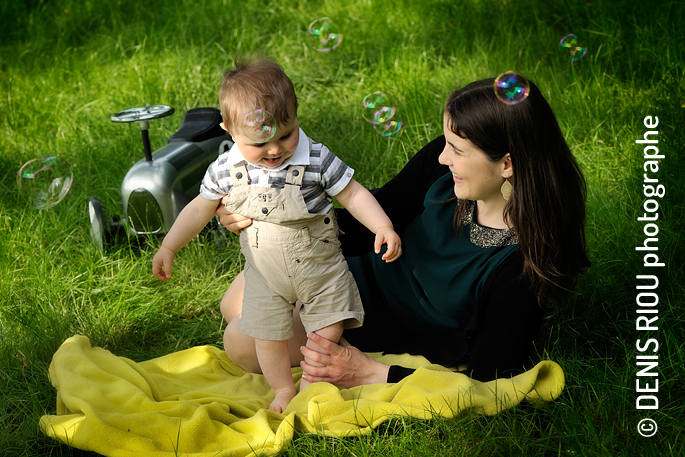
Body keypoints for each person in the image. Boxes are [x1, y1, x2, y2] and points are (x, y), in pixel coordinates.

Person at [218, 76, 590, 388]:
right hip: (356, 272)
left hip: (384, 322)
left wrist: (371, 373)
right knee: (233, 300)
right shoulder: (444, 166)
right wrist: (275, 219)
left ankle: (325, 326)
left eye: (457, 151)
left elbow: (488, 377)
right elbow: (382, 215)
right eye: (445, 144)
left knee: (240, 342)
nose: (444, 158)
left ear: (507, 164)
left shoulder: (521, 268)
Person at [152, 58, 401, 413]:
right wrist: (169, 245)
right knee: (267, 337)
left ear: (296, 115)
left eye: (286, 135)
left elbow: (353, 193)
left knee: (326, 328)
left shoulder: (315, 158)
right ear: (229, 130)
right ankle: (283, 388)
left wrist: (382, 226)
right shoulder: (225, 168)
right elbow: (197, 209)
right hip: (265, 275)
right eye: (260, 143)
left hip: (320, 270)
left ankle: (314, 383)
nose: (274, 150)